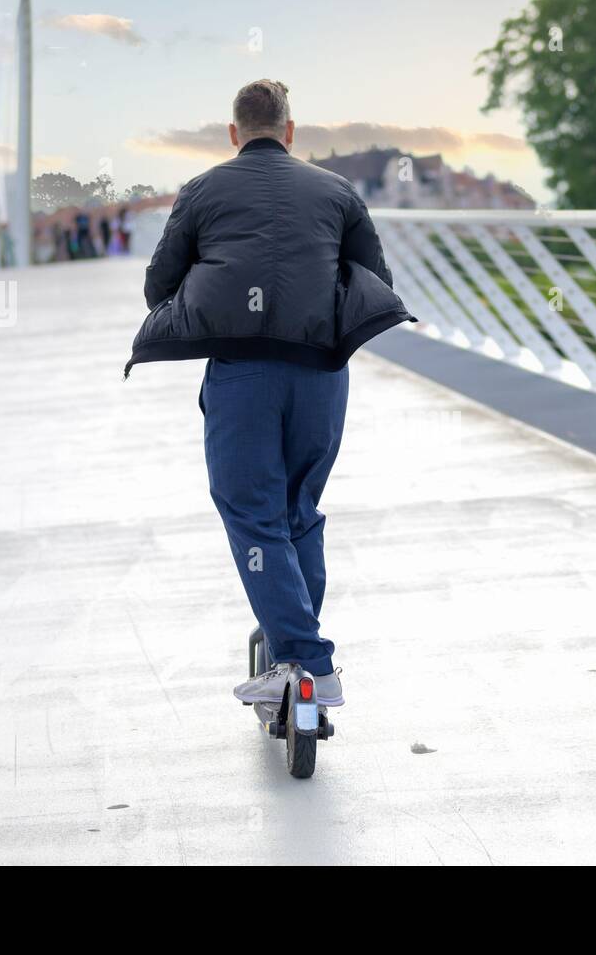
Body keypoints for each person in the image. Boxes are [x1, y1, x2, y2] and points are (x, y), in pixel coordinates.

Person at [124, 79, 412, 708]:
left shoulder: (201, 191)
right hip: (320, 374)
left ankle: (307, 663)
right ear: (289, 130)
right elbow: (375, 280)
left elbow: (158, 288)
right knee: (298, 511)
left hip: (244, 375)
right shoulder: (336, 191)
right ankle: (294, 650)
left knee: (251, 510)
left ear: (234, 133)